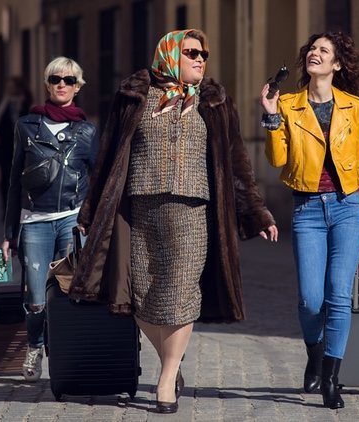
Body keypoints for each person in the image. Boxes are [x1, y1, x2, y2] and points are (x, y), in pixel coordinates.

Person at [70, 29, 278, 414]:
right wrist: (90, 211)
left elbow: (236, 163)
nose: (201, 59)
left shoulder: (214, 103)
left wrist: (256, 210)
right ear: (169, 55)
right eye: (192, 52)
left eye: (204, 54)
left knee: (181, 294)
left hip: (194, 211)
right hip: (140, 210)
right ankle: (173, 360)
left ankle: (165, 379)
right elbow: (108, 157)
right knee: (142, 295)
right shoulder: (134, 97)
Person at [260, 32, 359, 409]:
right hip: (308, 209)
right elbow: (277, 160)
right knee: (310, 300)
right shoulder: (289, 104)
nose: (315, 54)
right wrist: (269, 116)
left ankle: (331, 377)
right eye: (312, 49)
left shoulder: (352, 106)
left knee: (337, 293)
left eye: (323, 51)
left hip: (349, 207)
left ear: (337, 65)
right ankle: (315, 352)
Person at [0, 57, 96, 382]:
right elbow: (14, 180)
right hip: (34, 222)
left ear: (78, 86)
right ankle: (35, 344)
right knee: (36, 299)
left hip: (71, 222)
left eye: (69, 80)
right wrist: (8, 232)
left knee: (67, 295)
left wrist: (91, 221)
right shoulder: (26, 125)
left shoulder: (87, 132)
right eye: (55, 78)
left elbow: (98, 182)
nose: (61, 84)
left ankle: (62, 353)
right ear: (47, 83)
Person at [0, 76, 32, 218]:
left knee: (20, 180)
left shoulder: (25, 103)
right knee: (5, 179)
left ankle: (20, 208)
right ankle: (6, 209)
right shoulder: (3, 103)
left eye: (12, 86)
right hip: (4, 148)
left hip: (21, 148)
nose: (9, 89)